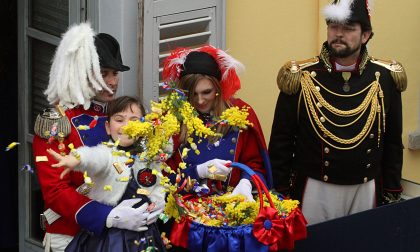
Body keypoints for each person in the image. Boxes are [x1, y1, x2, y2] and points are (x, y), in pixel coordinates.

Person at [269, 0, 407, 225]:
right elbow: (281, 143)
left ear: (366, 35)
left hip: (365, 188)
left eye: (349, 28)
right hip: (315, 190)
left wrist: (391, 191)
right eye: (334, 26)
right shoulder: (300, 77)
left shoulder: (385, 77)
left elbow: (392, 142)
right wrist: (281, 192)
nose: (339, 34)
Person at [32, 23, 154, 252]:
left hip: (123, 234)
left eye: (115, 73)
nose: (112, 82)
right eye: (103, 73)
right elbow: (55, 191)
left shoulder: (122, 115)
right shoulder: (58, 122)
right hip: (71, 233)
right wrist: (109, 216)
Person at [46, 96, 167, 251]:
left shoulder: (150, 156)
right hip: (111, 238)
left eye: (134, 119)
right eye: (119, 120)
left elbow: (157, 183)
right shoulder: (107, 153)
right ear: (108, 127)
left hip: (144, 235)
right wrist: (76, 159)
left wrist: (158, 201)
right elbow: (93, 157)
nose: (127, 125)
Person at [163, 45, 273, 202]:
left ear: (218, 88)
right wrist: (198, 172)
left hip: (235, 207)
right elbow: (161, 179)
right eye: (193, 94)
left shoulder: (240, 113)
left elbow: (256, 165)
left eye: (206, 92)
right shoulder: (171, 120)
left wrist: (246, 182)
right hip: (188, 215)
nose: (200, 101)